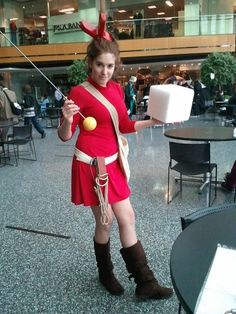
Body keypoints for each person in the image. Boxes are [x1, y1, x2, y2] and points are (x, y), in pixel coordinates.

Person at [58, 11, 173, 301]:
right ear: (90, 63)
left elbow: (122, 124)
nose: (105, 71)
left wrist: (152, 121)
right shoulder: (79, 93)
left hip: (113, 164)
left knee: (128, 216)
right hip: (90, 167)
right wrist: (67, 119)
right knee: (105, 222)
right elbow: (64, 136)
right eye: (99, 65)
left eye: (110, 66)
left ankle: (145, 282)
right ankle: (105, 272)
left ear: (116, 66)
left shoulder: (117, 90)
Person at [0, 74, 19, 140]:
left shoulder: (1, 94)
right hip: (14, 116)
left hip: (5, 117)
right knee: (13, 131)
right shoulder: (13, 92)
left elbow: (1, 106)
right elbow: (15, 103)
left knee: (3, 135)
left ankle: (3, 143)